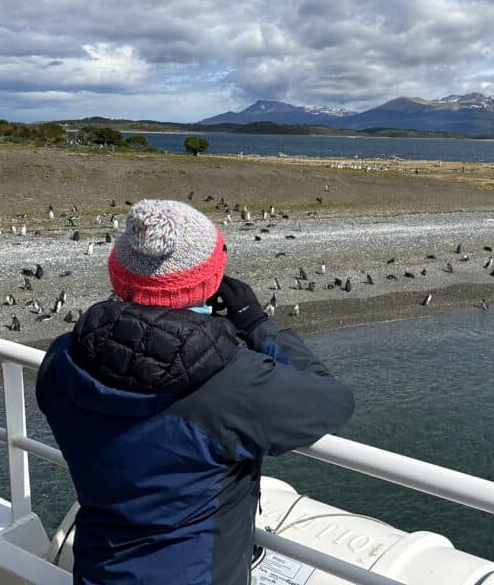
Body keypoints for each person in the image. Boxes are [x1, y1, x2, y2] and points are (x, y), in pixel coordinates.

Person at [36, 199, 353, 585]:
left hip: (98, 573)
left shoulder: (62, 360)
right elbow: (332, 401)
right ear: (209, 281)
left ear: (119, 275)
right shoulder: (232, 384)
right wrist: (256, 322)